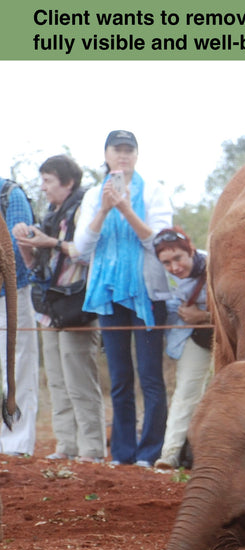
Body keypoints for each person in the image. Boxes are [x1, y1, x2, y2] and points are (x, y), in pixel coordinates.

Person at [75, 129, 173, 467]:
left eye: (129, 150)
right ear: (106, 155)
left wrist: (127, 209)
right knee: (119, 378)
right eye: (117, 150)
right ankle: (123, 453)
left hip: (148, 294)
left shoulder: (155, 192)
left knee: (150, 377)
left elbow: (159, 244)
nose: (123, 156)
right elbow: (81, 249)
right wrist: (103, 210)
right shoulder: (91, 196)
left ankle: (151, 452)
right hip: (108, 293)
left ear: (136, 155)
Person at [13, 153, 104, 463]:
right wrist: (28, 247)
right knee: (56, 380)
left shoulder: (83, 209)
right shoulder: (51, 213)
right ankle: (66, 445)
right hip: (49, 306)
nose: (43, 187)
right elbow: (39, 266)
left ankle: (92, 448)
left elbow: (83, 253)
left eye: (48, 181)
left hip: (76, 302)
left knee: (80, 379)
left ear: (68, 182)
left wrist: (48, 242)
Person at [151, 227, 211, 471]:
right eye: (166, 262)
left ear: (191, 250)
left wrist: (204, 315)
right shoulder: (164, 278)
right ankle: (170, 455)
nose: (174, 267)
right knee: (186, 392)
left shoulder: (214, 265)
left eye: (178, 258)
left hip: (227, 334)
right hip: (193, 336)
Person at [2, 175, 40, 456]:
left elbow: (16, 248)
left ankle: (16, 444)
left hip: (12, 294)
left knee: (18, 367)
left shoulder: (9, 193)